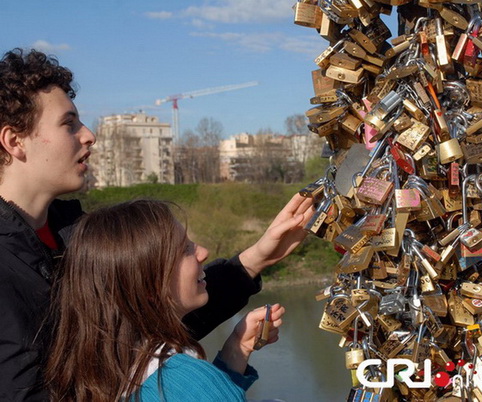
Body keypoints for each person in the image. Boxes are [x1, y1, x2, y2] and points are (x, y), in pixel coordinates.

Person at [0, 48, 313, 400]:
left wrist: (257, 258)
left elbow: (145, 323)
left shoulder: (76, 233)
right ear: (15, 142)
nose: (88, 135)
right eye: (68, 124)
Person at [45, 199, 283, 401]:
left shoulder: (104, 368)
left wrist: (237, 349)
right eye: (185, 250)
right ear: (148, 287)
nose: (203, 252)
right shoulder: (179, 378)